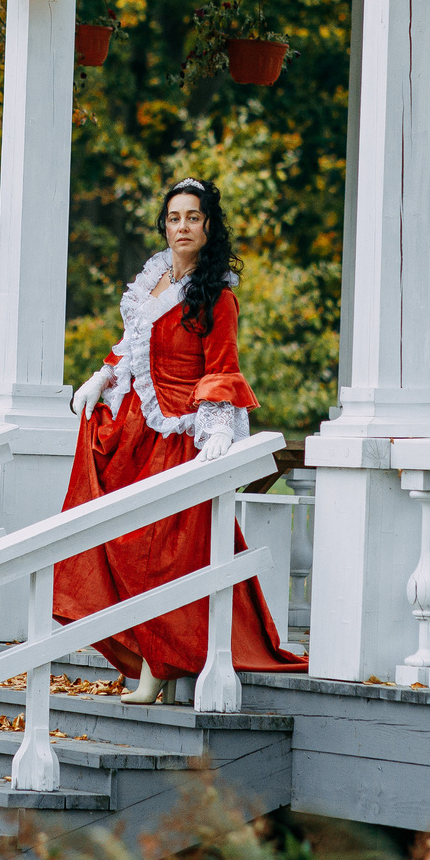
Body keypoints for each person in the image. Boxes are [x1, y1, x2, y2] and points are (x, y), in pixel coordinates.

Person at [51, 177, 307, 703]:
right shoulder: (152, 281)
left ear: (208, 227)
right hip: (132, 431)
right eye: (173, 217)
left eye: (192, 217)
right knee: (119, 542)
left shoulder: (218, 296)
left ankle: (158, 667)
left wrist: (215, 427)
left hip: (176, 435)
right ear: (164, 225)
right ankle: (149, 657)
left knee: (160, 554)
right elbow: (131, 347)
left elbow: (222, 367)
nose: (181, 226)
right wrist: (100, 377)